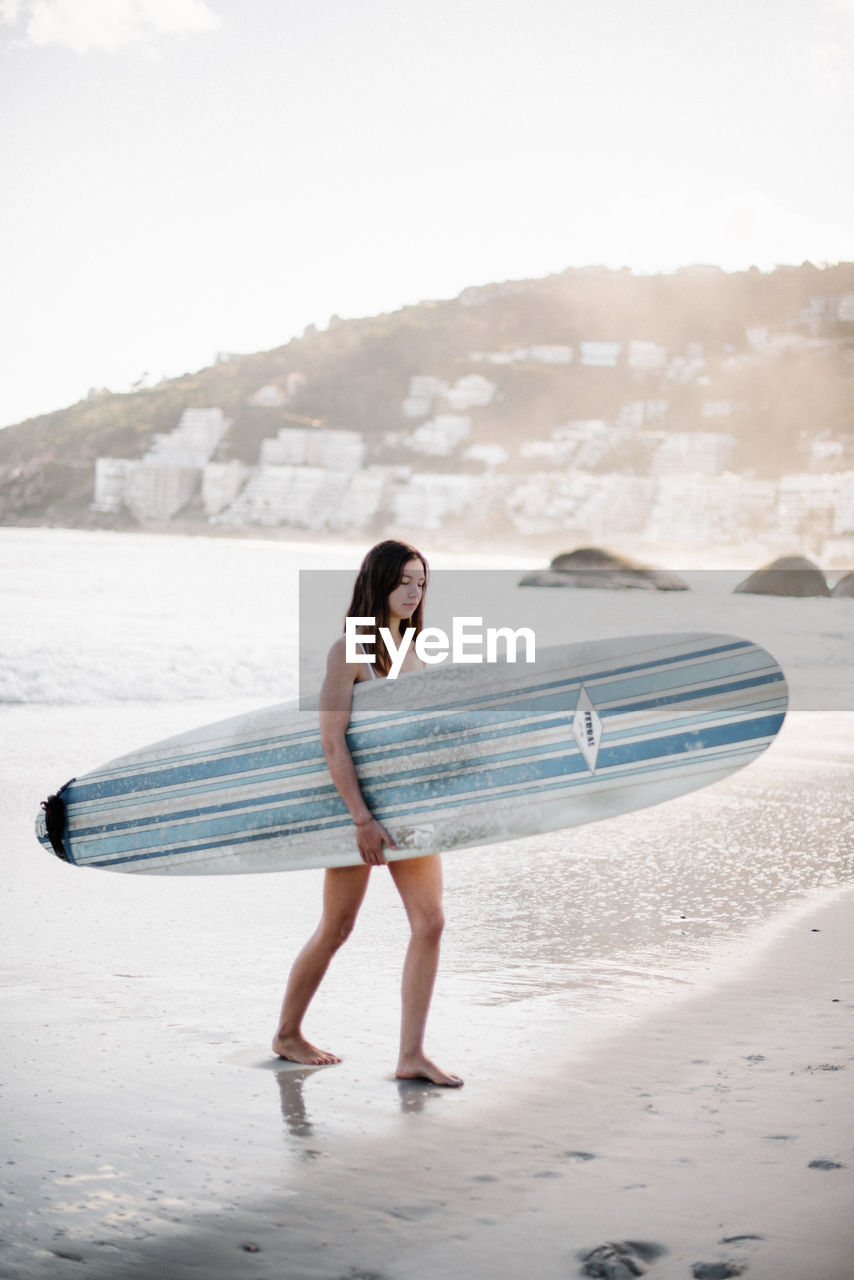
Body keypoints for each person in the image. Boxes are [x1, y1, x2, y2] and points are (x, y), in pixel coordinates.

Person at [272, 540, 463, 1087]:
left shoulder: (415, 649)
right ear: (377, 581)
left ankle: (411, 1055)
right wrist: (360, 817)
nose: (413, 591)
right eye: (404, 579)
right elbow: (332, 741)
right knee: (337, 926)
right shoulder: (350, 650)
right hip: (358, 812)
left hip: (407, 812)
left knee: (431, 923)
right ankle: (287, 1033)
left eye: (421, 582)